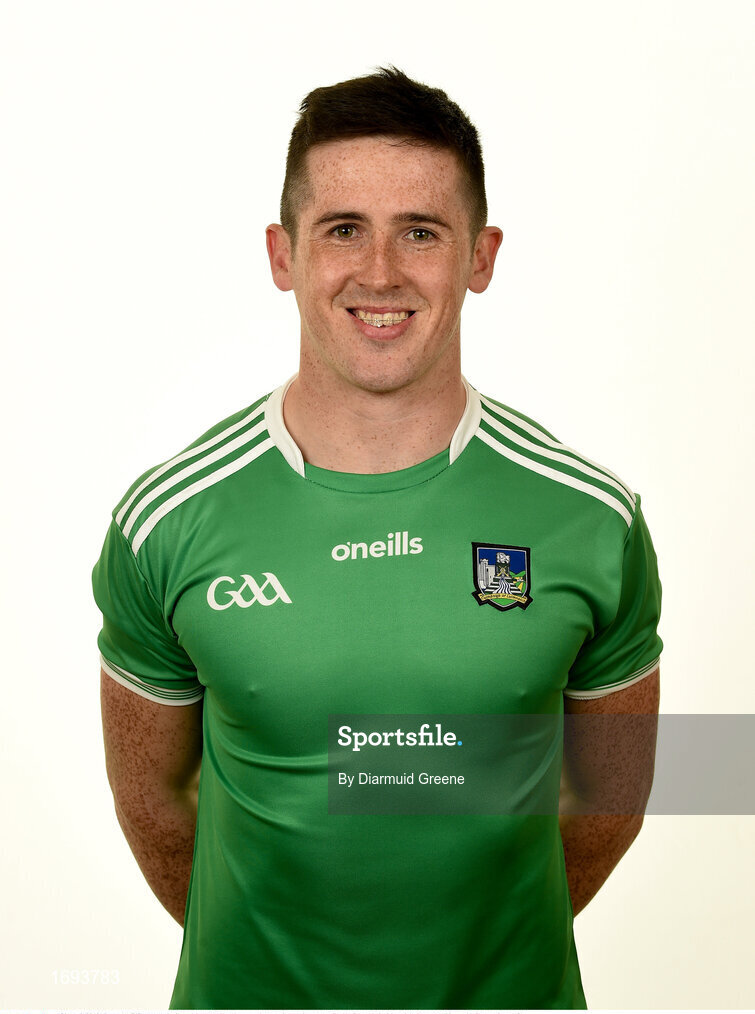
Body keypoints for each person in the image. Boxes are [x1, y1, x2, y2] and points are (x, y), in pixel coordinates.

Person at [92, 66, 662, 1009]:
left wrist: (472, 959)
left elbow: (610, 797)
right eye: (343, 229)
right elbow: (153, 801)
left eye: (421, 232)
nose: (381, 273)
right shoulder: (167, 520)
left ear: (480, 256)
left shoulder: (592, 518)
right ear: (284, 254)